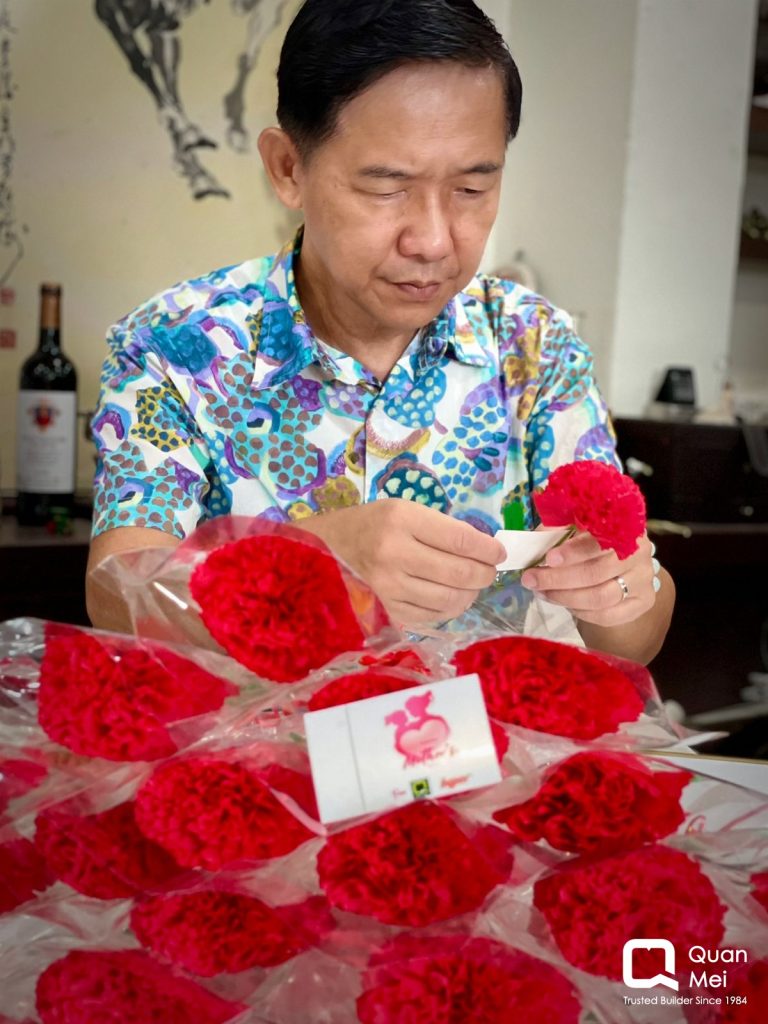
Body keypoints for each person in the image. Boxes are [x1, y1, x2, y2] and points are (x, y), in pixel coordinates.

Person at [86, 0, 674, 663]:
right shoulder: (177, 346)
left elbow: (632, 637)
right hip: (260, 758)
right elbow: (118, 593)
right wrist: (310, 557)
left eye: (472, 190)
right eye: (386, 188)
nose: (432, 240)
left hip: (493, 758)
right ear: (288, 169)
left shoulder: (535, 346)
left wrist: (619, 590)